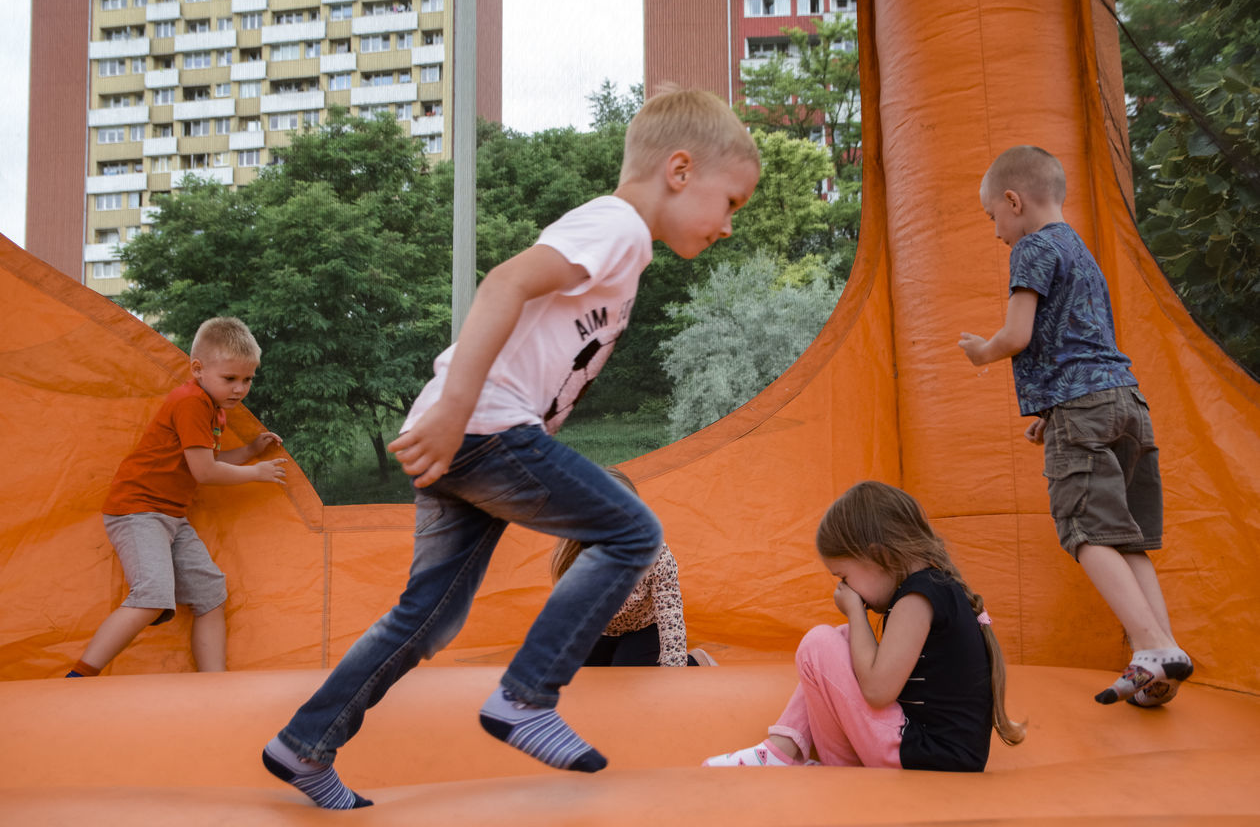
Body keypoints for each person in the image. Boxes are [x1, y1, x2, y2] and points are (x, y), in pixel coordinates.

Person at [261, 87, 761, 809]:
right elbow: (505, 283)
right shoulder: (619, 226)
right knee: (633, 530)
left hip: (471, 432)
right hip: (483, 426)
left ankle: (306, 742)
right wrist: (456, 409)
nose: (730, 226)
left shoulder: (626, 246)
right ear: (679, 171)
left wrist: (457, 415)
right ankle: (526, 697)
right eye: (732, 202)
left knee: (427, 617)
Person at [958, 145, 1192, 707]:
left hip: (1083, 408)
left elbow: (1018, 335)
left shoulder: (1032, 247)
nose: (996, 232)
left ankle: (1151, 646)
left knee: (1085, 532)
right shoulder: (1081, 251)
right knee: (1128, 539)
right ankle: (1165, 656)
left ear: (1014, 201)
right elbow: (1082, 343)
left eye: (993, 217)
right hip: (1126, 403)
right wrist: (1053, 416)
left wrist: (983, 351)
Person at [704, 481, 1025, 770]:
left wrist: (855, 613)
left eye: (844, 576)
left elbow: (877, 692)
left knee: (819, 643)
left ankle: (784, 752)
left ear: (878, 556)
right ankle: (788, 749)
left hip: (925, 755)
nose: (844, 588)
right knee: (842, 639)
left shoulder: (918, 597)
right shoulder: (935, 587)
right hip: (931, 752)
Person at [66, 317, 287, 678]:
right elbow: (205, 472)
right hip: (138, 511)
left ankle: (214, 684)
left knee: (211, 593)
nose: (240, 388)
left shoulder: (213, 408)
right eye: (230, 378)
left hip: (171, 516)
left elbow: (206, 460)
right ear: (198, 369)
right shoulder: (190, 402)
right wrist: (255, 473)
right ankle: (78, 677)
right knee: (152, 595)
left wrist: (249, 451)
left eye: (248, 379)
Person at [551, 467, 717, 667]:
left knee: (629, 673)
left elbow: (670, 611)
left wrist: (674, 665)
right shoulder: (576, 554)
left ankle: (696, 661)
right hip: (600, 630)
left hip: (642, 628)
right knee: (579, 674)